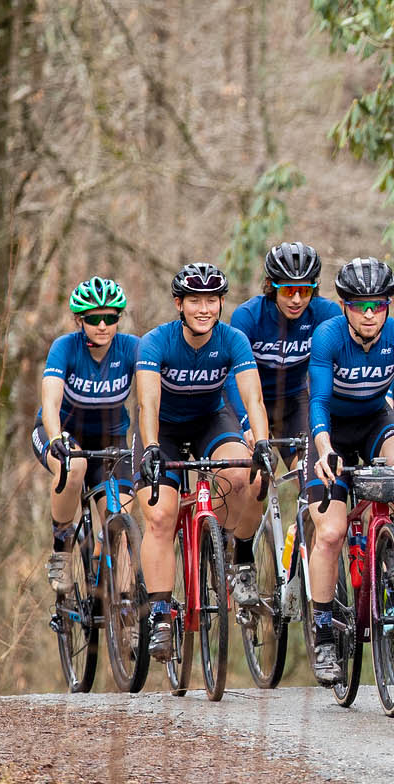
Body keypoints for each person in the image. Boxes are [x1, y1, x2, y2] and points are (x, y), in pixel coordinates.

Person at [302, 257, 394, 684]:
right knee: (330, 532)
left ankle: (391, 548)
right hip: (331, 432)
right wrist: (325, 449)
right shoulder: (328, 337)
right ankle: (324, 630)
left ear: (388, 306)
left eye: (378, 305)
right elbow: (319, 404)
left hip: (374, 421)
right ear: (345, 306)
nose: (370, 314)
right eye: (360, 305)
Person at [134, 263, 271, 662]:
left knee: (241, 471)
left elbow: (253, 399)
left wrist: (260, 442)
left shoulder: (233, 340)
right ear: (179, 303)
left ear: (221, 303)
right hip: (165, 429)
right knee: (159, 516)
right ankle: (160, 613)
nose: (204, 308)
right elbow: (148, 403)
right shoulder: (156, 342)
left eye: (212, 300)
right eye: (195, 300)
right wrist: (151, 448)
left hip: (212, 419)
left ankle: (222, 546)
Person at [35, 278, 138, 593]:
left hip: (111, 442)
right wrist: (56, 439)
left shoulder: (132, 348)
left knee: (120, 525)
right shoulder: (65, 348)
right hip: (62, 434)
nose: (103, 325)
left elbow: (152, 395)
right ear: (80, 321)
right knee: (73, 468)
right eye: (94, 318)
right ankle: (61, 549)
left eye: (111, 317)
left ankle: (127, 614)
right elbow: (50, 402)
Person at [228, 241, 341, 444]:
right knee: (249, 472)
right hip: (248, 400)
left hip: (293, 401)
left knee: (308, 467)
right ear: (272, 287)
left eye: (305, 291)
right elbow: (232, 377)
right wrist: (247, 423)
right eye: (288, 291)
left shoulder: (326, 314)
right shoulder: (247, 316)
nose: (297, 300)